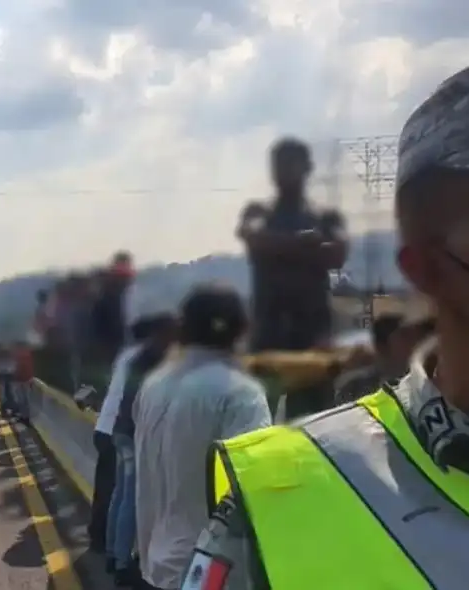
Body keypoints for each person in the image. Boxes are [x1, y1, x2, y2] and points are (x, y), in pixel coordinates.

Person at [180, 67, 469, 590]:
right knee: (292, 448)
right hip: (273, 341)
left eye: (296, 163)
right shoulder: (259, 213)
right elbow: (260, 243)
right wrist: (299, 247)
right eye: (284, 163)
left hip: (314, 338)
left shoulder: (318, 217)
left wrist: (291, 246)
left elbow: (330, 250)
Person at [133, 284, 270, 590]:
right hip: (211, 575)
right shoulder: (242, 395)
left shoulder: (153, 385)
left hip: (156, 565)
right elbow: (249, 490)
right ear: (242, 330)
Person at [239, 137, 349, 419]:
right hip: (268, 335)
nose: (281, 171)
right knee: (259, 422)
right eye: (277, 165)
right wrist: (308, 244)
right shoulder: (257, 212)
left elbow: (336, 254)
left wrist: (279, 247)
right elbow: (254, 239)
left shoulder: (326, 216)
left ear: (306, 168)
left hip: (313, 335)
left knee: (315, 421)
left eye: (289, 163)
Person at [106, 312, 178, 587]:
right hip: (134, 433)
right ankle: (124, 563)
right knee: (134, 497)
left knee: (121, 493)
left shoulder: (138, 357)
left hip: (120, 430)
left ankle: (114, 553)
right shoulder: (156, 361)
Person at [88, 330, 144, 555]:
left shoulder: (126, 355)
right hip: (118, 429)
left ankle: (102, 542)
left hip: (105, 428)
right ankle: (118, 556)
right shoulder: (145, 358)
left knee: (111, 492)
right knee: (125, 495)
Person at [334, 312, 434, 405]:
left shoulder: (428, 382)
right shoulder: (354, 388)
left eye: (419, 335)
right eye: (405, 336)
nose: (415, 341)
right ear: (382, 347)